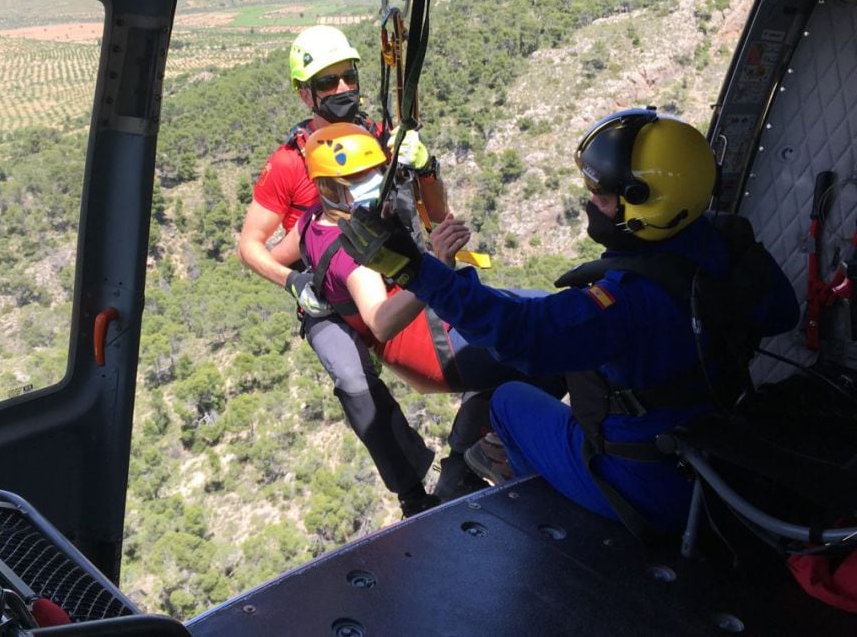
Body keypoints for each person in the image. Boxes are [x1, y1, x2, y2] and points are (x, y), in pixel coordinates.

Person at [336, 107, 800, 535]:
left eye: (600, 194)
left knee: (508, 402)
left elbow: (520, 334)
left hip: (652, 486)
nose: (589, 202)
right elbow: (782, 312)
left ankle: (550, 519)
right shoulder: (725, 243)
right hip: (722, 452)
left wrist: (417, 270)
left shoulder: (629, 301)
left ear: (642, 205)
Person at [238, 26, 459, 516]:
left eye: (348, 77)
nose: (342, 89)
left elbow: (435, 212)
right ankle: (412, 494)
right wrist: (295, 281)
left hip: (390, 270)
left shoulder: (378, 137)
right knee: (353, 381)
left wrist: (425, 168)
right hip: (328, 291)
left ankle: (472, 448)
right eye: (327, 82)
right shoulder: (289, 164)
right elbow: (251, 246)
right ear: (305, 92)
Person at [271, 123, 564, 490]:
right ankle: (484, 448)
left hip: (426, 330)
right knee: (560, 345)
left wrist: (294, 280)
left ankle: (473, 442)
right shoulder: (355, 257)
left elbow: (283, 253)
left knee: (544, 313)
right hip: (428, 345)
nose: (372, 182)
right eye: (356, 177)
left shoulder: (311, 220)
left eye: (374, 172)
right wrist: (437, 268)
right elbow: (380, 322)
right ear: (328, 186)